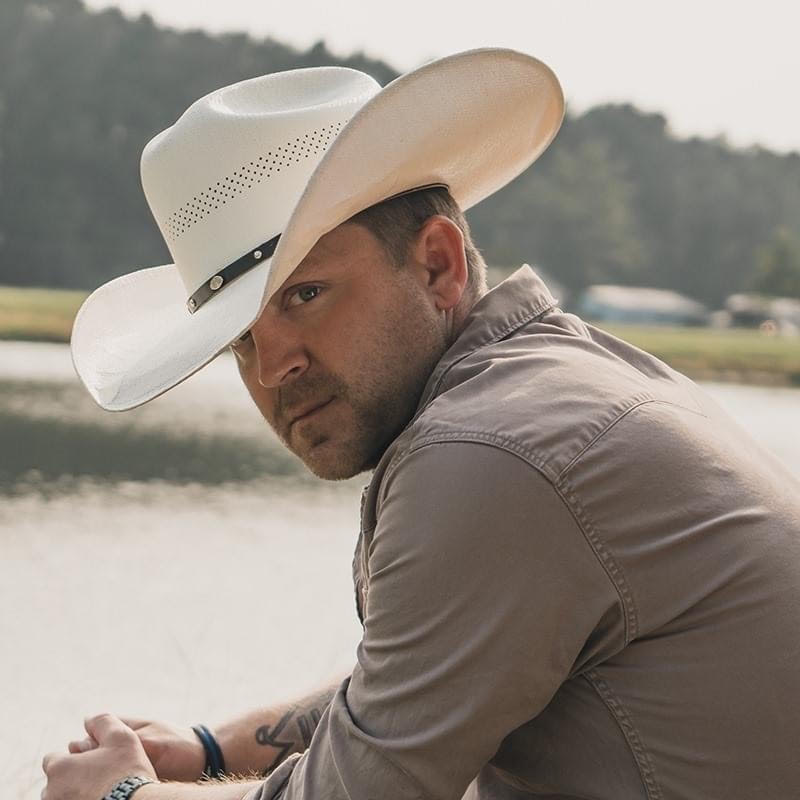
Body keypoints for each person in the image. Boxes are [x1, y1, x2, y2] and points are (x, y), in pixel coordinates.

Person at [44, 50, 800, 800]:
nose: (272, 368)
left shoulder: (490, 453)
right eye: (239, 339)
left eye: (306, 294)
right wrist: (209, 752)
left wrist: (119, 796)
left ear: (438, 265)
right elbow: (421, 676)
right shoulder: (555, 386)